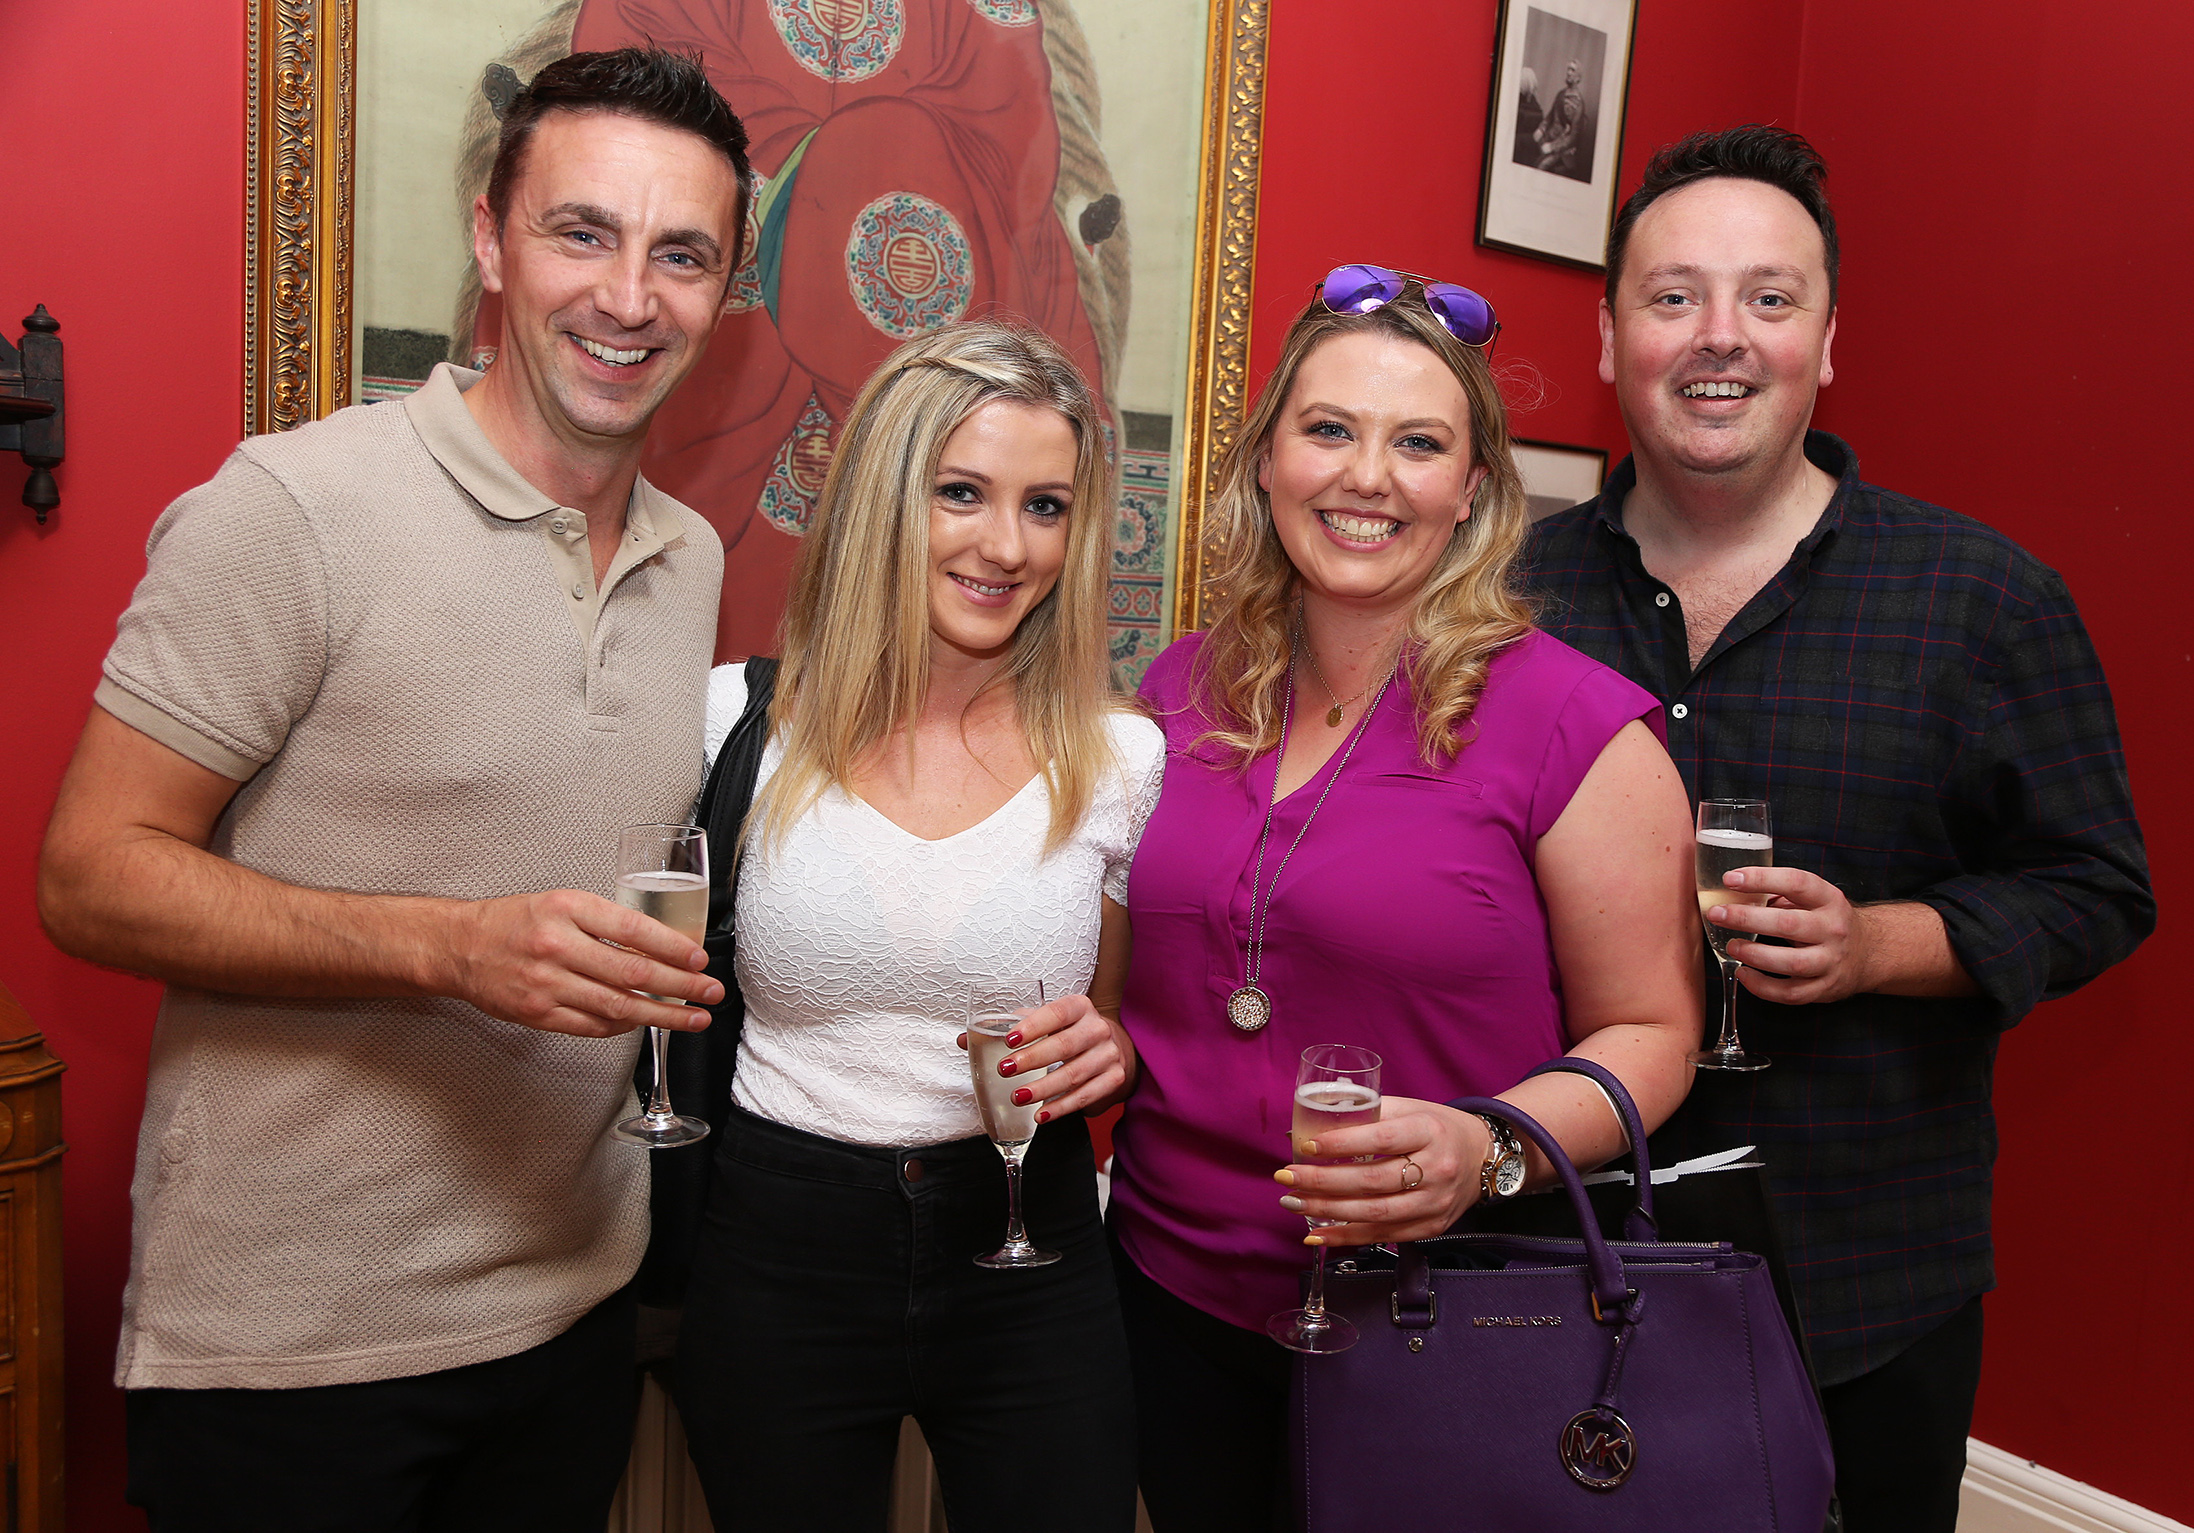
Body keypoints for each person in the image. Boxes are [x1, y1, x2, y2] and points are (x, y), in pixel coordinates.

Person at [36, 49, 753, 1530]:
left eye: (681, 255)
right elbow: (90, 873)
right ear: (490, 239)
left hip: (571, 1318)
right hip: (292, 1350)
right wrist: (449, 946)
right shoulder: (293, 508)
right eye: (582, 233)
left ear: (725, 290)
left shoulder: (689, 559)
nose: (630, 297)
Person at [1524, 125, 2154, 1532]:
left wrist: (1878, 944)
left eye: (1768, 297)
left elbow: (2097, 887)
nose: (1720, 336)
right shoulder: (1502, 603)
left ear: (1825, 340)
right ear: (1611, 337)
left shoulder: (1981, 601)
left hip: (1864, 1277)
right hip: (1557, 1251)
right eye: (1673, 296)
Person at [1106, 266, 1706, 1530]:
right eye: (1328, 429)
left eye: (1418, 444)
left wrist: (1487, 1147)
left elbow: (1653, 1036)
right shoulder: (1173, 692)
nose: (1367, 478)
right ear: (1267, 460)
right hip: (1163, 1298)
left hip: (1442, 1314)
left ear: (1473, 489)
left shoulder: (1578, 729)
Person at [670, 319, 1159, 1533]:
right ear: (885, 496)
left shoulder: (1119, 759)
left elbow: (1116, 1019)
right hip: (778, 1247)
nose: (1006, 546)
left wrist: (1110, 1052)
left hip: (1028, 1242)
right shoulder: (733, 723)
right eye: (960, 493)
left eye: (1046, 507)